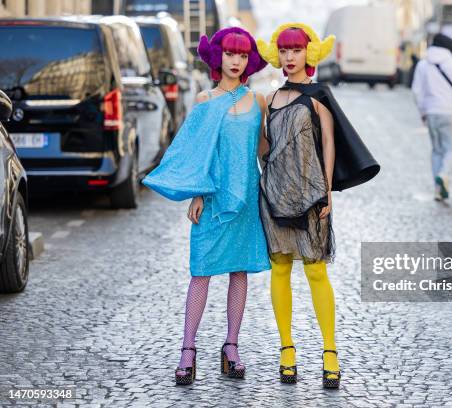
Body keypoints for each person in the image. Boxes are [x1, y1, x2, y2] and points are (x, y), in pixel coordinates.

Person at [142, 27, 269, 385]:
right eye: (230, 54)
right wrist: (196, 193)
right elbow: (196, 153)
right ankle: (188, 348)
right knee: (201, 271)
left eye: (243, 55)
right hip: (211, 199)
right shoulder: (204, 99)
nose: (236, 61)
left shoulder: (257, 101)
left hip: (246, 199)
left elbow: (262, 150)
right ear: (218, 57)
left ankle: (231, 346)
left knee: (239, 271)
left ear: (249, 61)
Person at [256, 22, 380, 389]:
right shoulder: (272, 98)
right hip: (274, 193)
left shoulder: (318, 95)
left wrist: (326, 193)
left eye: (295, 49)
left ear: (308, 53)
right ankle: (287, 351)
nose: (289, 56)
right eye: (283, 50)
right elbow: (266, 149)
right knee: (279, 271)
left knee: (315, 272)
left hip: (310, 196)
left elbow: (329, 145)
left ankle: (330, 352)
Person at [411, 33, 452, 201]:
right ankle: (444, 175)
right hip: (450, 112)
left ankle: (438, 189)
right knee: (450, 148)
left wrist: (423, 112)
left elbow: (416, 92)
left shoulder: (423, 65)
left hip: (430, 113)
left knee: (436, 150)